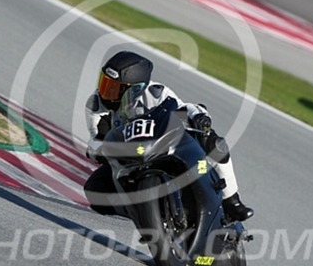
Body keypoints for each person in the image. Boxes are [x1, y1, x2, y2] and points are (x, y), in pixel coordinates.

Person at [83, 51, 254, 222]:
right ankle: (143, 212)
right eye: (105, 83)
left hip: (161, 144)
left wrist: (199, 116)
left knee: (213, 142)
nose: (106, 92)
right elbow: (97, 139)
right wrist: (96, 151)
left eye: (114, 87)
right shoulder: (96, 105)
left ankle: (232, 201)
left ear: (135, 88)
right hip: (127, 158)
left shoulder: (156, 93)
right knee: (95, 190)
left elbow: (183, 108)